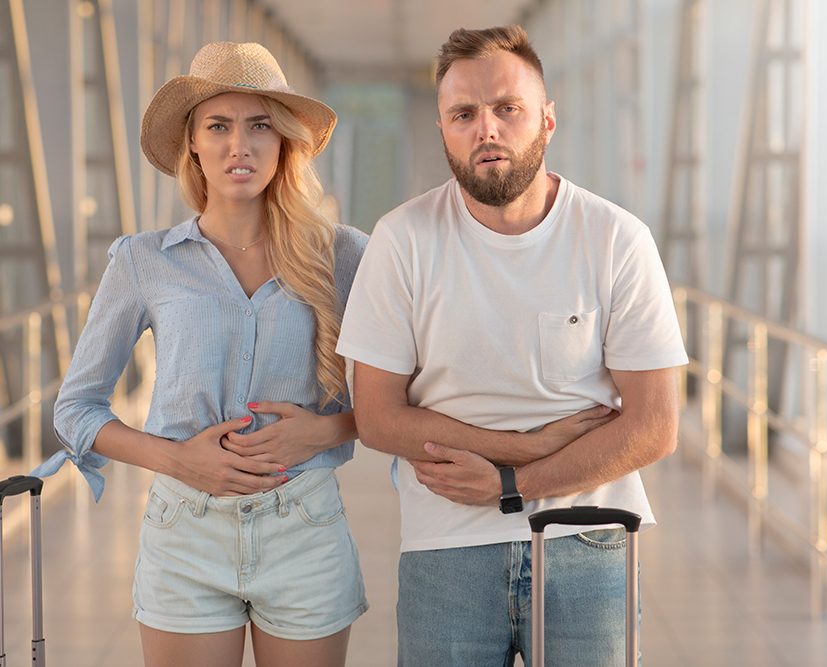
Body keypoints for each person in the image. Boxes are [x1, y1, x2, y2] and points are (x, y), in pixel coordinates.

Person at [336, 24, 688, 666]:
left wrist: (513, 480)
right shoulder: (402, 239)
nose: (487, 129)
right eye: (464, 114)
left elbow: (657, 427)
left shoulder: (616, 239)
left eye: (508, 108)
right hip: (446, 549)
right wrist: (522, 449)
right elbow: (378, 417)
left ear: (547, 120)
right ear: (443, 130)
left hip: (590, 543)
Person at [33, 41, 367, 667]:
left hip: (306, 528)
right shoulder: (144, 261)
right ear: (192, 142)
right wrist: (179, 461)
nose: (238, 145)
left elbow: (400, 396)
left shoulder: (344, 256)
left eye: (259, 125)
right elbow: (75, 408)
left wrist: (324, 431)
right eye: (219, 125)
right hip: (185, 533)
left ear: (284, 141)